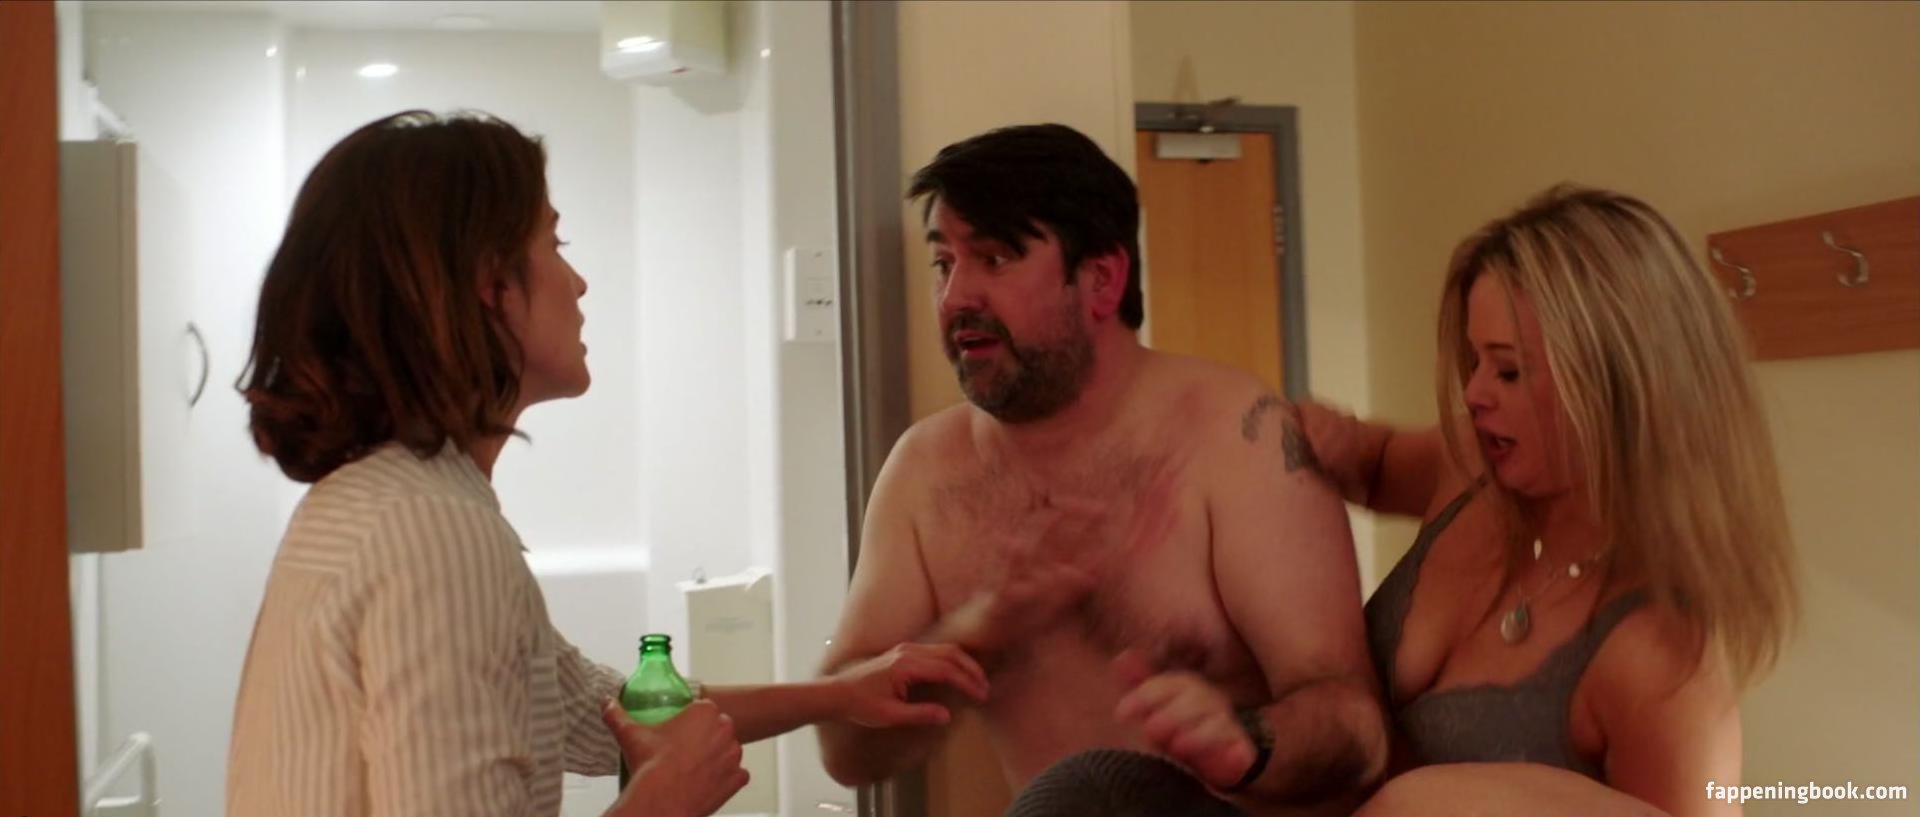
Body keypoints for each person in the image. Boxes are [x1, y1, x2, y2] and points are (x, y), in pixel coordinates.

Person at [225, 110, 988, 817]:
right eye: (554, 246)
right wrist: (665, 798)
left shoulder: (378, 501)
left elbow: (603, 708)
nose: (578, 281)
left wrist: (838, 695)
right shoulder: (435, 534)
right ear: (491, 288)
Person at [815, 124, 1387, 815]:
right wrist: (975, 634)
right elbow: (844, 751)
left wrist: (1248, 741)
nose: (957, 296)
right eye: (944, 264)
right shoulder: (926, 471)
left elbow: (1357, 726)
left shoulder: (1239, 437)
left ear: (1102, 279)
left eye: (994, 258)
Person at [1299, 185, 1798, 816]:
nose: (1474, 394)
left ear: (1616, 386)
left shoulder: (1662, 659)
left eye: (1508, 370)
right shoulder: (1473, 464)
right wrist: (1292, 436)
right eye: (1475, 361)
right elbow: (1371, 465)